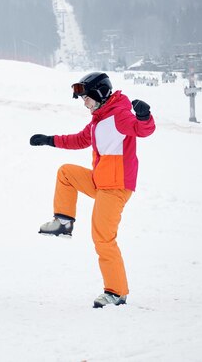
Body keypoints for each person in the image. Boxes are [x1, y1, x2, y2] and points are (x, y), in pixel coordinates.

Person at [29, 72, 155, 308]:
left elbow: (142, 129)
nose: (84, 102)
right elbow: (78, 140)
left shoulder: (119, 115)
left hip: (116, 187)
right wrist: (49, 139)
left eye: (86, 97)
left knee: (103, 238)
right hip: (100, 181)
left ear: (100, 94)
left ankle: (116, 292)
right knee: (66, 172)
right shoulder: (99, 120)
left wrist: (144, 115)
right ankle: (63, 222)